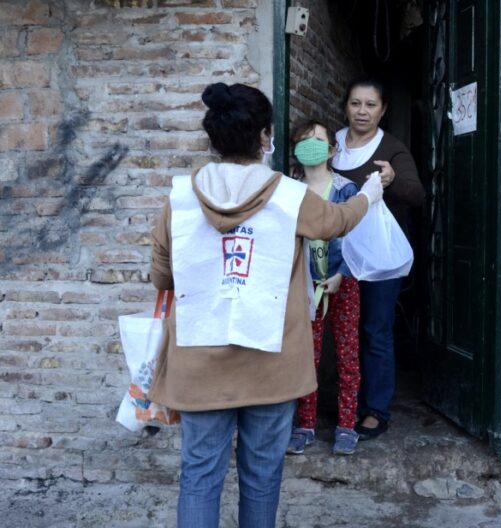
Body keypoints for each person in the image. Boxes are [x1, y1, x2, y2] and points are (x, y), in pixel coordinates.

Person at [147, 83, 382, 528]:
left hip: (199, 363)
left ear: (213, 139)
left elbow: (162, 276)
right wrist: (369, 193)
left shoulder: (180, 198)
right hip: (271, 360)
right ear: (263, 137)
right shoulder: (289, 197)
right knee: (261, 477)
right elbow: (338, 221)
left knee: (199, 476)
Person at [332, 78, 425, 441]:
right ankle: (342, 404)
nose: (362, 112)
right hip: (337, 252)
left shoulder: (391, 148)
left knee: (374, 330)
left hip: (378, 257)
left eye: (371, 105)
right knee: (337, 332)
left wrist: (393, 179)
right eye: (356, 104)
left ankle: (375, 409)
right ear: (345, 107)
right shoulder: (331, 143)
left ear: (382, 110)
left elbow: (417, 195)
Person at [286, 119, 362, 456]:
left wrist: (342, 275)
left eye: (318, 140)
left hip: (342, 285)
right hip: (305, 288)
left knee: (347, 355)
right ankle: (305, 425)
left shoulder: (346, 190)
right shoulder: (289, 190)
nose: (311, 146)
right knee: (306, 357)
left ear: (332, 150)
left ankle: (347, 425)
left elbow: (358, 240)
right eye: (304, 140)